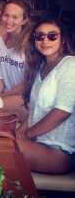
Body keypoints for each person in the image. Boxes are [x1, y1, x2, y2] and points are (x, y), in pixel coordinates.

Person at [17, 17, 75, 174]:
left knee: (0, 147)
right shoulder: (43, 66)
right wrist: (19, 133)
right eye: (39, 36)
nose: (45, 40)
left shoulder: (70, 65)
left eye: (52, 36)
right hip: (38, 143)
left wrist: (27, 134)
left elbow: (62, 112)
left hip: (60, 151)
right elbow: (35, 111)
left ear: (62, 39)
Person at [0, 0, 32, 122]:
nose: (8, 21)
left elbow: (27, 84)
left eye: (15, 17)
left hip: (26, 99)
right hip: (7, 96)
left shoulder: (31, 44)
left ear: (24, 20)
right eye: (6, 15)